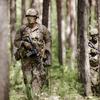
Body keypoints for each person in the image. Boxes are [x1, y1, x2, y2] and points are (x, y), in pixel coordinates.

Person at [14, 8, 51, 100]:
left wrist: (46, 51)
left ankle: (36, 97)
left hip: (37, 57)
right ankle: (30, 97)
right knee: (27, 79)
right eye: (28, 17)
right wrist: (23, 43)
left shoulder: (43, 29)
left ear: (36, 17)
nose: (29, 18)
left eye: (32, 16)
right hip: (26, 58)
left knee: (38, 77)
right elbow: (16, 41)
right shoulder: (22, 28)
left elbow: (48, 41)